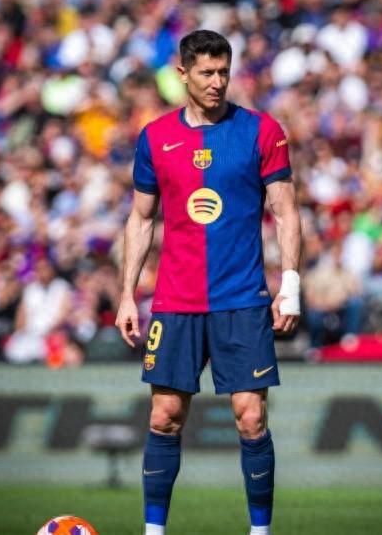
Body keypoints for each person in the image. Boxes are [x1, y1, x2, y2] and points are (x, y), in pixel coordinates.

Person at [115, 30, 301, 535]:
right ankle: (154, 531)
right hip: (176, 300)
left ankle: (259, 532)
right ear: (182, 74)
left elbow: (285, 210)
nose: (218, 82)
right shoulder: (156, 137)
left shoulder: (261, 130)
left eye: (224, 72)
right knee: (164, 416)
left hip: (241, 298)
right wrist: (127, 294)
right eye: (207, 73)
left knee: (251, 417)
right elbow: (141, 218)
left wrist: (290, 284)